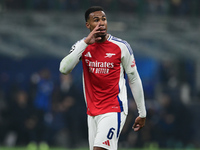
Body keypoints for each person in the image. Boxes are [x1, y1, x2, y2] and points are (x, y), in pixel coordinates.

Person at [59, 6, 146, 150]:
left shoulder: (121, 46)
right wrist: (86, 42)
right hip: (92, 112)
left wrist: (142, 112)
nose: (101, 23)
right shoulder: (82, 46)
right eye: (96, 20)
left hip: (114, 109)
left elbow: (134, 78)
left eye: (104, 19)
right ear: (88, 25)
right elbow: (64, 69)